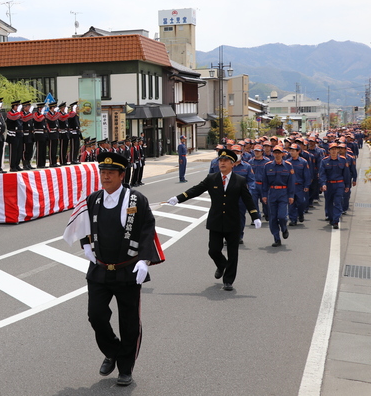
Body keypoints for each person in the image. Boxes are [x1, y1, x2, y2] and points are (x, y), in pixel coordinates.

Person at [78, 151, 164, 387]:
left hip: (128, 269)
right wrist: (85, 245)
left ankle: (125, 367)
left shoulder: (136, 200)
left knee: (129, 322)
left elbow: (148, 229)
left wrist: (144, 260)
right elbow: (82, 224)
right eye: (102, 173)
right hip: (100, 269)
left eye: (110, 173)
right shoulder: (93, 199)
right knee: (96, 315)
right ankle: (112, 350)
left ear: (122, 175)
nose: (105, 177)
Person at [168, 149, 261, 291]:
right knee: (213, 250)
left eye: (225, 161)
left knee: (233, 253)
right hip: (216, 220)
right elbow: (196, 190)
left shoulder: (239, 180)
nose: (222, 163)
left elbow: (248, 199)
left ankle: (228, 280)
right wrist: (178, 198)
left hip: (233, 221)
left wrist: (255, 216)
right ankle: (222, 265)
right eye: (220, 161)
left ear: (232, 164)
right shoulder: (211, 178)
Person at [262, 145, 295, 247]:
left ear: (282, 154)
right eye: (275, 153)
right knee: (273, 218)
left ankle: (284, 228)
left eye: (279, 153)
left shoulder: (288, 166)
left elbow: (291, 182)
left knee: (282, 216)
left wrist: (291, 195)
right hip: (272, 192)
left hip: (283, 193)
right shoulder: (267, 166)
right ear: (273, 154)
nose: (277, 155)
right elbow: (265, 182)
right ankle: (277, 238)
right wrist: (264, 195)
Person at [318, 143, 350, 229]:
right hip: (328, 184)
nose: (334, 151)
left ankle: (336, 220)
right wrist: (323, 184)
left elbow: (346, 174)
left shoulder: (343, 160)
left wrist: (347, 185)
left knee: (338, 202)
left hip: (339, 184)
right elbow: (322, 174)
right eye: (332, 149)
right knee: (329, 202)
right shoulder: (324, 161)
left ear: (338, 150)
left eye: (335, 149)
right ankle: (331, 217)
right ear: (329, 151)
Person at [287, 144, 311, 226]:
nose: (291, 152)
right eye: (291, 150)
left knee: (301, 202)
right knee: (291, 203)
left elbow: (307, 175)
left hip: (299, 186)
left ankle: (300, 214)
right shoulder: (287, 162)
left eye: (293, 150)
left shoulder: (303, 162)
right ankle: (293, 219)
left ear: (298, 152)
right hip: (290, 186)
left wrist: (306, 186)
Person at [33, 102, 48, 168]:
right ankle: (39, 164)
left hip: (43, 134)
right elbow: (38, 120)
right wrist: (42, 114)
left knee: (43, 150)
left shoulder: (43, 115)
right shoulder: (36, 114)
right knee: (39, 150)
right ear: (39, 108)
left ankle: (43, 163)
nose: (42, 109)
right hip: (38, 134)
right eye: (41, 108)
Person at [21, 101, 35, 170]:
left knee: (30, 149)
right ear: (24, 107)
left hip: (30, 134)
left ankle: (28, 163)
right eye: (28, 106)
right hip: (25, 134)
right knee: (25, 150)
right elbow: (24, 120)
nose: (29, 108)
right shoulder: (22, 114)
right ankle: (25, 163)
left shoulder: (29, 114)